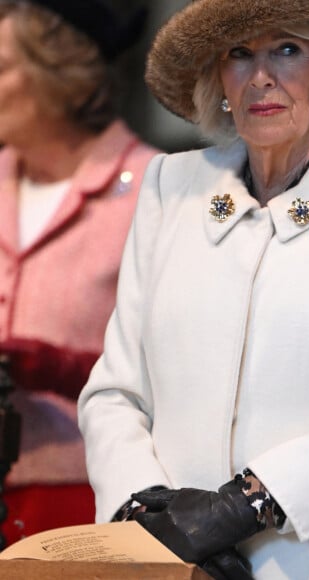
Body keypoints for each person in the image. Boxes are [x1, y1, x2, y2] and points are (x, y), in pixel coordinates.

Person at [78, 0, 309, 578]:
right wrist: (148, 513)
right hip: (175, 564)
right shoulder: (169, 186)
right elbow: (115, 394)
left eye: (288, 49)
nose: (260, 77)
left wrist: (244, 505)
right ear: (219, 80)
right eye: (238, 54)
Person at [0, 0, 160, 546]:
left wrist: (50, 365)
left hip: (82, 500)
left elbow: (175, 369)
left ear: (60, 75)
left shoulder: (153, 189)